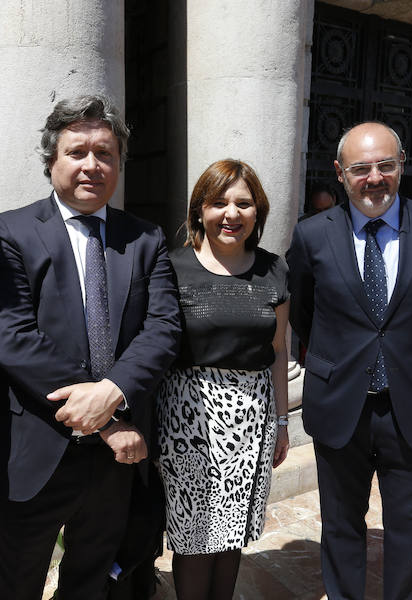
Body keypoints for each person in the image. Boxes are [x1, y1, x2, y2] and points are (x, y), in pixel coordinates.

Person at [0, 94, 181, 600]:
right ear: (51, 161)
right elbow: (14, 338)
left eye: (105, 153)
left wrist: (114, 391)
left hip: (114, 465)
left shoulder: (145, 237)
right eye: (77, 152)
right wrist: (106, 418)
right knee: (14, 582)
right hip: (35, 448)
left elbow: (163, 328)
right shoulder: (10, 230)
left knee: (90, 581)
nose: (92, 165)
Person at [287, 121, 412, 599]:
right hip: (340, 402)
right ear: (340, 173)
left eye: (386, 165)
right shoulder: (311, 235)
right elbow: (305, 315)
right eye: (361, 168)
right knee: (342, 523)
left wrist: (400, 353)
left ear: (401, 165)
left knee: (410, 528)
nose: (375, 178)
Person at [156, 159, 290, 600]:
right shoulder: (171, 266)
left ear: (257, 213)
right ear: (199, 211)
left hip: (252, 415)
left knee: (232, 532)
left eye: (244, 204)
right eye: (219, 203)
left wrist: (282, 423)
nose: (231, 214)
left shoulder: (274, 269)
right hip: (187, 416)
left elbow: (278, 349)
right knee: (194, 532)